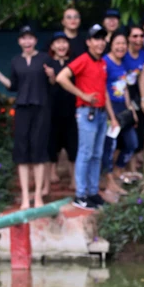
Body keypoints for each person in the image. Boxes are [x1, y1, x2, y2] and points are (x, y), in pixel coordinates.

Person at [0, 25, 55, 209]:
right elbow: (12, 85)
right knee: (22, 153)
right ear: (19, 41)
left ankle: (38, 195)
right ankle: (25, 196)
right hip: (22, 109)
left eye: (30, 38)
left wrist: (52, 75)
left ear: (35, 41)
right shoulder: (16, 61)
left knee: (39, 152)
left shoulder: (45, 59)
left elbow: (53, 83)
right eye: (23, 38)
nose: (27, 41)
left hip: (41, 108)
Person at [56, 24, 120, 210]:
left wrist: (112, 116)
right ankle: (80, 195)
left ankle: (92, 193)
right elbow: (61, 77)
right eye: (96, 39)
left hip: (100, 114)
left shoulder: (102, 63)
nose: (100, 42)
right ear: (89, 42)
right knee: (85, 154)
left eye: (102, 39)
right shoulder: (83, 59)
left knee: (96, 155)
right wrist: (82, 95)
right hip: (86, 113)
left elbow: (104, 92)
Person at [101, 32, 139, 197]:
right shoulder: (105, 62)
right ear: (111, 44)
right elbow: (104, 91)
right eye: (117, 43)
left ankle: (117, 172)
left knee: (132, 143)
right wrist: (112, 116)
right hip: (111, 109)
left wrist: (131, 110)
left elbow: (124, 88)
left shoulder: (124, 62)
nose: (121, 46)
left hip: (124, 109)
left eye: (123, 43)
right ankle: (109, 182)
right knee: (109, 148)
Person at [45, 31, 78, 192]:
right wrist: (50, 78)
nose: (61, 45)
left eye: (64, 42)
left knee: (73, 146)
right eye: (57, 42)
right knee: (52, 144)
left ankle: (74, 180)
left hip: (72, 110)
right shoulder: (47, 63)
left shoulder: (74, 63)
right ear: (52, 46)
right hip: (52, 111)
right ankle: (52, 173)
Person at [126, 25, 144, 173]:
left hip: (136, 94)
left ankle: (134, 169)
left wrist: (143, 100)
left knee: (138, 129)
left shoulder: (142, 55)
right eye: (135, 36)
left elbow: (141, 78)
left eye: (141, 36)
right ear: (128, 38)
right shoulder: (122, 54)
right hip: (121, 94)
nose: (138, 39)